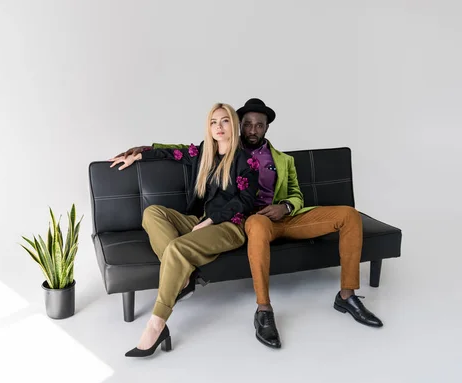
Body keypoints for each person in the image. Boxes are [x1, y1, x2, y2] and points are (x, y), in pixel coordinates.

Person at [110, 98, 383, 350]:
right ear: (239, 126)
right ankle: (250, 305)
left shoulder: (276, 160)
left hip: (268, 218)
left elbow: (291, 194)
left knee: (348, 214)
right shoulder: (214, 151)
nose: (252, 129)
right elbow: (180, 152)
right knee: (157, 215)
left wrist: (285, 206)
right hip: (246, 221)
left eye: (258, 125)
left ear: (265, 128)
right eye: (247, 124)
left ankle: (346, 296)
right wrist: (141, 152)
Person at [110, 103, 259, 357]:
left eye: (224, 121)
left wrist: (211, 220)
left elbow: (245, 202)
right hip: (198, 220)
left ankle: (156, 325)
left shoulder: (247, 162)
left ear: (233, 124)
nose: (218, 127)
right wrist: (139, 155)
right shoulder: (204, 153)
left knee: (178, 248)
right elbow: (172, 153)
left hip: (230, 227)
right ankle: (184, 276)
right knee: (151, 213)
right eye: (213, 122)